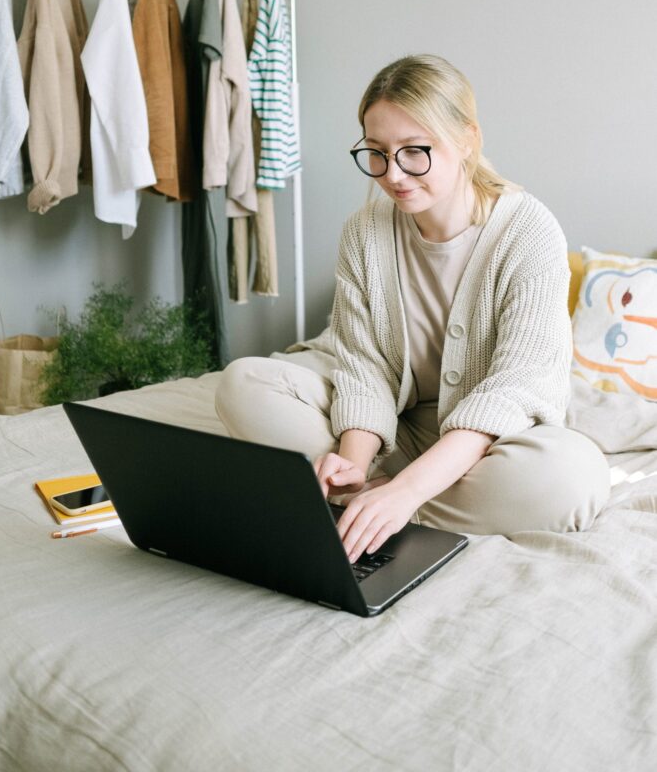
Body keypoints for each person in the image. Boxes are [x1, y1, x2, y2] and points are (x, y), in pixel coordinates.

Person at [215, 54, 610, 563]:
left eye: (414, 152)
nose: (393, 174)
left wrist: (406, 493)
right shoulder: (364, 231)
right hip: (397, 433)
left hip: (484, 445)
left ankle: (378, 505)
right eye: (376, 153)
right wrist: (353, 462)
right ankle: (363, 495)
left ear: (467, 139)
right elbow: (363, 369)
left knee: (573, 477)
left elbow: (516, 386)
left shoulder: (528, 231)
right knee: (242, 384)